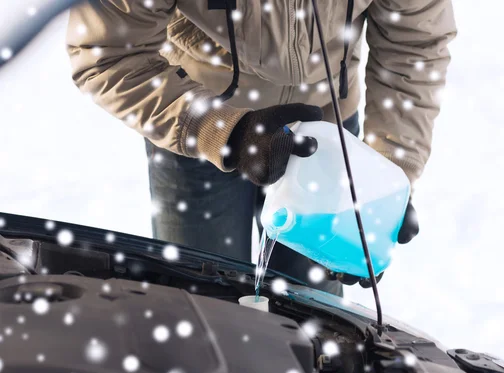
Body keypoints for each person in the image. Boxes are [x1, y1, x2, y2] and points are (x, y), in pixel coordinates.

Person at [66, 0, 457, 296]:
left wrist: (386, 176)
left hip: (328, 139)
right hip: (195, 131)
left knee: (317, 324)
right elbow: (107, 53)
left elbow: (415, 46)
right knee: (201, 307)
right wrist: (223, 132)